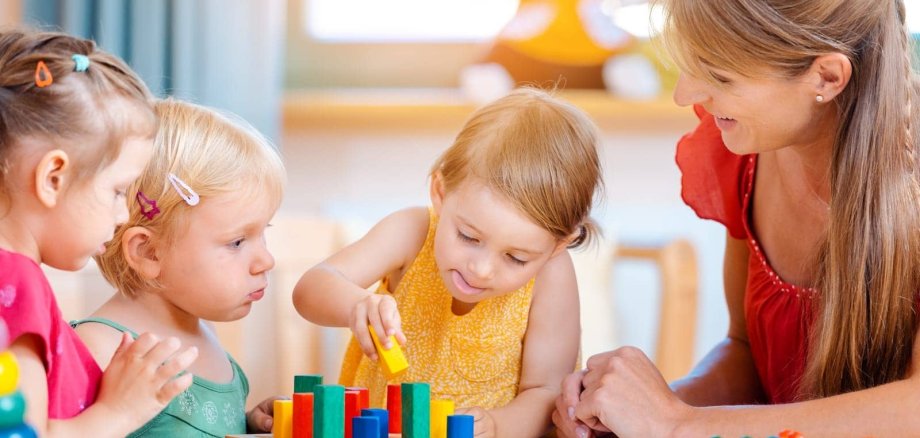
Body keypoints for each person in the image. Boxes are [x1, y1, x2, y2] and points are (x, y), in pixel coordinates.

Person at [553, 0, 920, 436]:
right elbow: (746, 353)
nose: (684, 95)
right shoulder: (746, 157)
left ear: (826, 77)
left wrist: (677, 424)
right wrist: (644, 410)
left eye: (720, 76)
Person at [293, 87, 603, 437]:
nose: (482, 269)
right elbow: (311, 288)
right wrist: (356, 305)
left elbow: (547, 393)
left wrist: (499, 426)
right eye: (469, 237)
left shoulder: (552, 275)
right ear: (440, 193)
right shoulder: (412, 232)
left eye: (516, 258)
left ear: (559, 244)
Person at [0, 29, 200, 437]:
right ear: (53, 178)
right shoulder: (16, 283)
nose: (125, 214)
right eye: (117, 191)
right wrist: (119, 412)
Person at [72, 98, 287, 437]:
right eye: (237, 242)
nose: (266, 260)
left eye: (264, 234)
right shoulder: (98, 348)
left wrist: (248, 424)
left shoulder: (205, 333)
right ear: (149, 253)